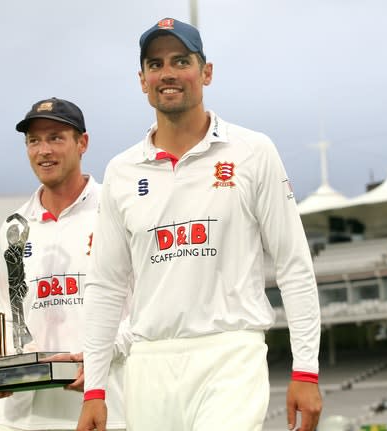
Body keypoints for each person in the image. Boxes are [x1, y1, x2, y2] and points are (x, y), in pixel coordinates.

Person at [77, 18, 322, 431]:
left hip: (231, 353)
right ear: (142, 80)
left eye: (181, 60)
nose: (167, 73)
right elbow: (105, 285)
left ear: (206, 72)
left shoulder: (252, 151)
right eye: (155, 64)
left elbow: (293, 264)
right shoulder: (120, 171)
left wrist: (306, 370)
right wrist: (95, 390)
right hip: (149, 361)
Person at [0, 97, 128, 431]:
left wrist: (100, 355)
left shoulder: (115, 212)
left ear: (82, 142)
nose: (44, 150)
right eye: (34, 140)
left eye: (56, 137)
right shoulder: (14, 227)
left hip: (105, 406)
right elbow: (5, 310)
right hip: (23, 419)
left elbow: (143, 308)